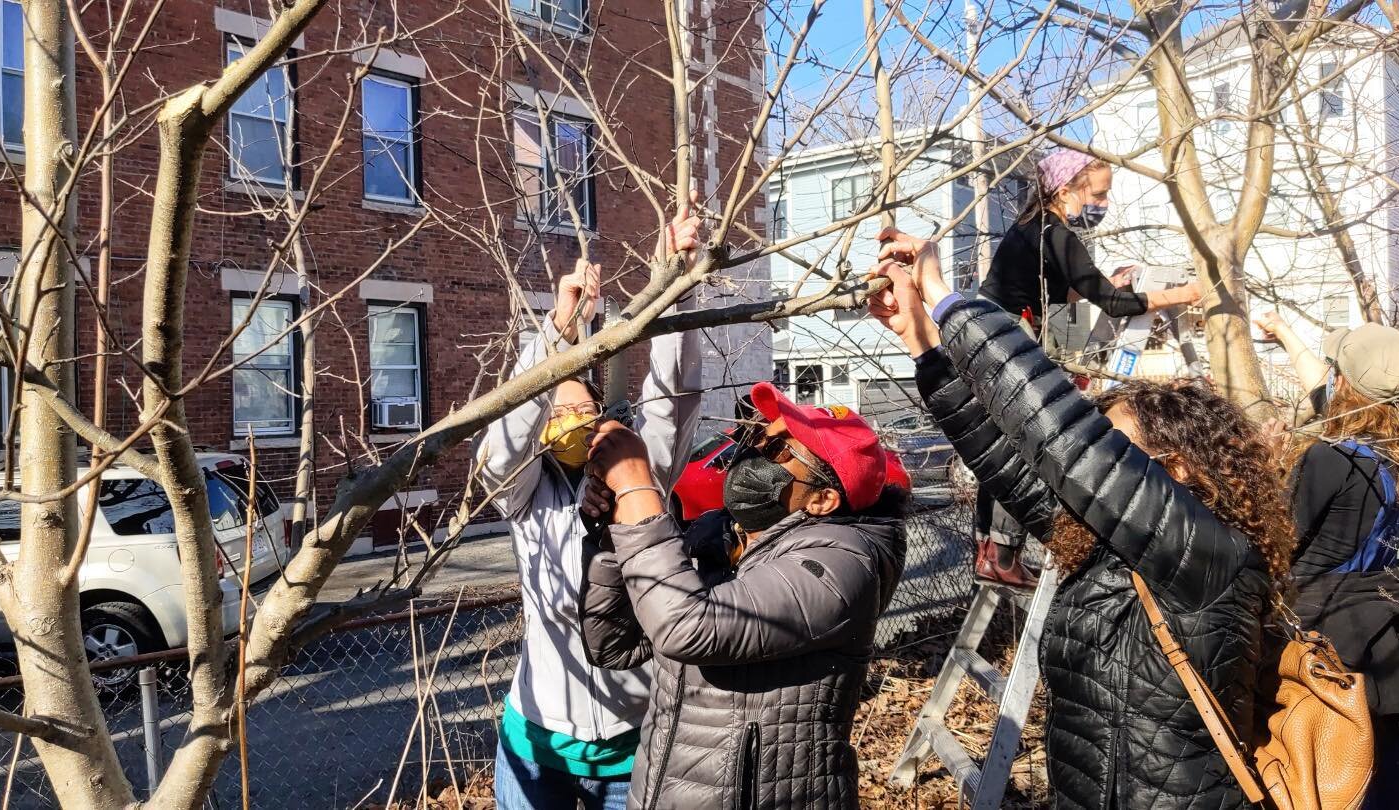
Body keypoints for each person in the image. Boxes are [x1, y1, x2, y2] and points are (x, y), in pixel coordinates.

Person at [868, 232, 1294, 809]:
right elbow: (1005, 459)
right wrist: (922, 342)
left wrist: (944, 295)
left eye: (1116, 449)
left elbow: (1058, 431)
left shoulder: (1210, 555)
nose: (1096, 467)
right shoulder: (1113, 549)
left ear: (1178, 469)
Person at [578, 381, 907, 809]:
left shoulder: (841, 567)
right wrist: (614, 531)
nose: (753, 454)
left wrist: (639, 492)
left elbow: (685, 627)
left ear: (824, 499)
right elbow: (612, 647)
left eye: (779, 452)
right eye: (757, 437)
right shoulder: (718, 537)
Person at [474, 210, 702, 809]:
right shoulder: (528, 494)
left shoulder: (636, 477)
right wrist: (558, 329)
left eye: (581, 409)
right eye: (556, 412)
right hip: (536, 742)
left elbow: (672, 402)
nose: (569, 423)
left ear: (600, 414)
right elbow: (500, 449)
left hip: (635, 745)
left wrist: (675, 284)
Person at [958, 148, 1204, 588]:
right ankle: (1000, 554)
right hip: (1006, 335)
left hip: (991, 331)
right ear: (1067, 188)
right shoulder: (1057, 233)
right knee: (1021, 441)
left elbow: (1068, 291)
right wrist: (1184, 292)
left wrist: (1113, 282)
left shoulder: (1033, 229)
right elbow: (1109, 302)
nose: (1102, 204)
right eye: (1099, 194)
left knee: (1003, 438)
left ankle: (993, 553)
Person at [1254, 311, 1399, 810]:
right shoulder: (1392, 457)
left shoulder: (1333, 458)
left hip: (1325, 653)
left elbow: (1273, 541)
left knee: (1323, 782)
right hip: (1387, 650)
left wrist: (1264, 467)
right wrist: (1284, 332)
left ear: (1343, 381)